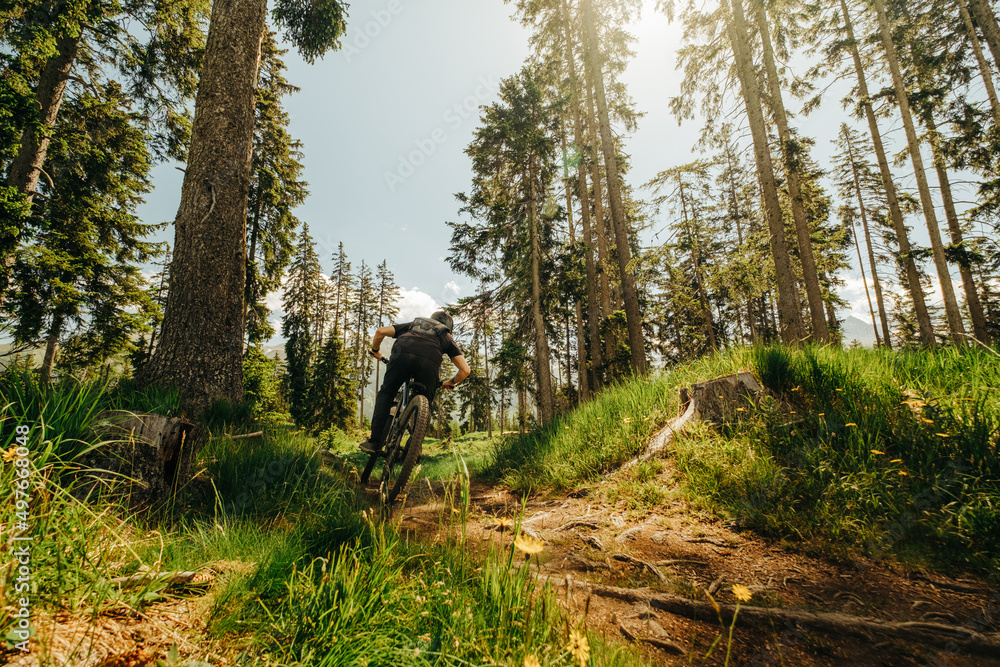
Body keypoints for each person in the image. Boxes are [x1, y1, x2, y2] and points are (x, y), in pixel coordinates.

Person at [359, 310, 471, 455]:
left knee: (387, 393)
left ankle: (374, 442)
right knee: (426, 403)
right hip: (428, 363)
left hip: (401, 355)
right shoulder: (446, 336)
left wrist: (376, 351)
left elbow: (380, 331)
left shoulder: (413, 325)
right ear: (448, 327)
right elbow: (465, 370)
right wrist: (450, 382)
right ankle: (415, 448)